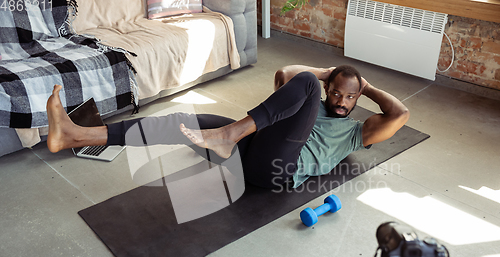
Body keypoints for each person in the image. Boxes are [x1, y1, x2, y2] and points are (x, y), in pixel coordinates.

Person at [46, 64, 409, 189]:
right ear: (330, 89)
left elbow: (400, 115)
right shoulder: (310, 98)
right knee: (180, 123)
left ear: (357, 99)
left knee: (304, 87)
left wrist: (364, 86)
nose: (342, 102)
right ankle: (77, 135)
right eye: (336, 93)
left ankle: (228, 135)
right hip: (258, 146)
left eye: (349, 98)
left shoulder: (358, 132)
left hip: (279, 169)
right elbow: (286, 75)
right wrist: (325, 75)